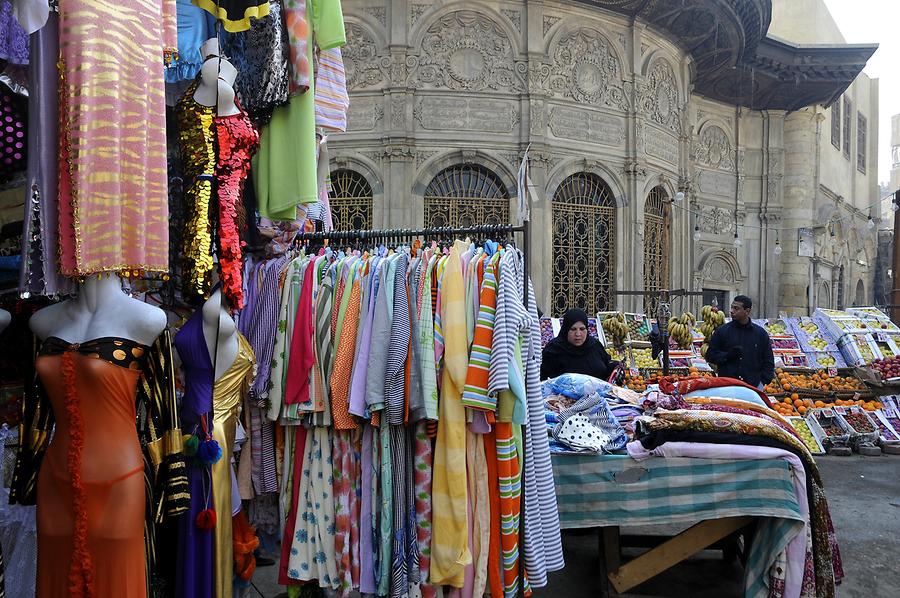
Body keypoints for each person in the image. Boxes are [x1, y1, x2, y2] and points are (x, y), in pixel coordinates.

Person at [705, 295, 775, 388]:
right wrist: (727, 355)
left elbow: (768, 360)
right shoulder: (722, 331)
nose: (732, 311)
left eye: (736, 308)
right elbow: (710, 356)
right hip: (727, 386)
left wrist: (762, 382)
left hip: (752, 386)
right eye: (732, 307)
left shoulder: (760, 334)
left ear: (747, 311)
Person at [541, 308, 619, 381]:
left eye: (582, 329)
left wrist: (617, 366)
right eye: (573, 329)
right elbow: (545, 381)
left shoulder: (595, 346)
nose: (578, 334)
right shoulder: (553, 350)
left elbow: (606, 368)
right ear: (566, 330)